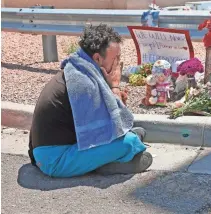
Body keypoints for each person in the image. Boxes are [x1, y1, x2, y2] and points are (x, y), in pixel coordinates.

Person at [28, 24, 152, 178]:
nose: (117, 63)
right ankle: (105, 165)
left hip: (50, 151)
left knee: (128, 138)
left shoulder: (78, 68)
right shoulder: (84, 83)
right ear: (98, 58)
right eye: (115, 58)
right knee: (130, 142)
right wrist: (114, 86)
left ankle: (106, 161)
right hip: (55, 161)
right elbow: (116, 123)